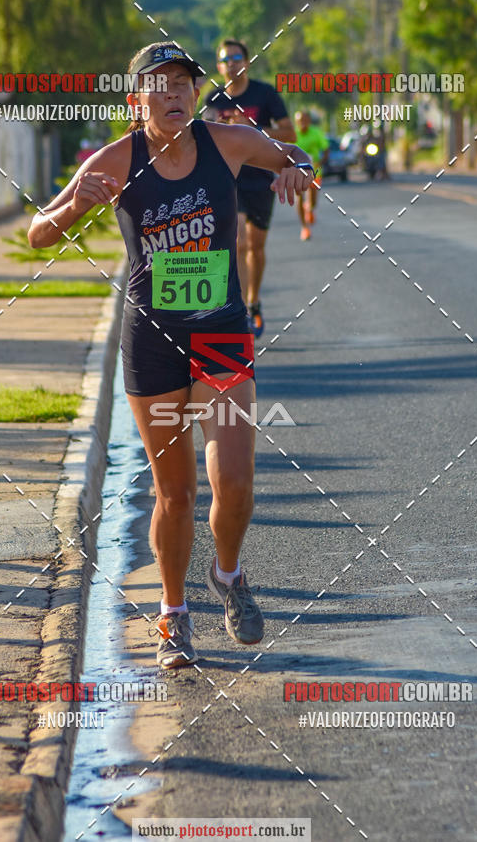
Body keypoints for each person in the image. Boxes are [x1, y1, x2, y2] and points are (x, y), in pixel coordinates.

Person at [27, 42, 315, 670]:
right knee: (175, 494)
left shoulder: (227, 141)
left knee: (235, 483)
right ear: (137, 99)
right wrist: (78, 203)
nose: (175, 93)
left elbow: (294, 152)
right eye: (159, 84)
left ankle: (229, 574)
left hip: (221, 333)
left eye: (183, 82)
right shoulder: (115, 159)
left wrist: (297, 168)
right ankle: (173, 614)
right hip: (152, 341)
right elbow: (37, 232)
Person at [203, 39, 296, 338]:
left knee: (256, 247)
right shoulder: (213, 98)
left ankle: (254, 301)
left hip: (261, 178)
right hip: (228, 179)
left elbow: (289, 132)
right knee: (239, 241)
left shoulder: (264, 93)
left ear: (247, 61)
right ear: (218, 66)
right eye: (225, 59)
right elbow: (199, 135)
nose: (231, 63)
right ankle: (240, 309)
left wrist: (253, 128)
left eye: (236, 57)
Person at [293, 110, 327, 240]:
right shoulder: (293, 135)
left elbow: (326, 149)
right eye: (300, 121)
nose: (303, 123)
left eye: (305, 120)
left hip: (315, 171)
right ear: (296, 122)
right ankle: (304, 228)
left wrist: (321, 162)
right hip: (297, 171)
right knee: (299, 198)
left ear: (309, 121)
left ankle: (310, 209)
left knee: (313, 201)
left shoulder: (316, 133)